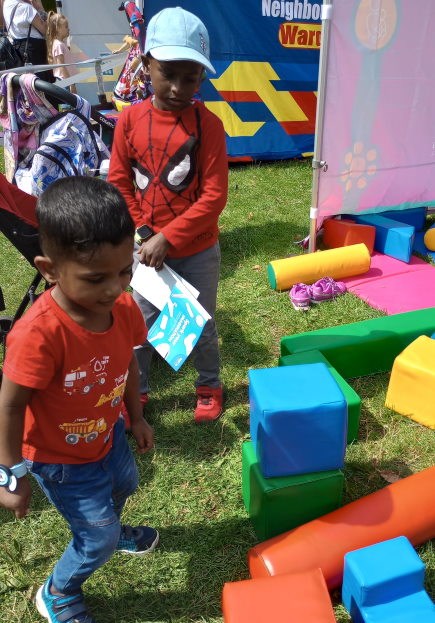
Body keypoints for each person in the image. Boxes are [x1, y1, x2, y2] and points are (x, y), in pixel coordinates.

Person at [0, 176, 159, 623]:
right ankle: (59, 590)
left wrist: (137, 416)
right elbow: (10, 404)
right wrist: (9, 474)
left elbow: (127, 362)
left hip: (109, 435)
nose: (114, 288)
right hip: (60, 459)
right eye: (95, 278)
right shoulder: (38, 334)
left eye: (125, 270)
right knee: (97, 539)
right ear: (49, 269)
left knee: (125, 484)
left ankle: (109, 530)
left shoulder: (122, 308)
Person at [108, 7, 228, 424]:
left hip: (197, 251)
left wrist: (169, 238)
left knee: (201, 324)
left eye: (191, 77)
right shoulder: (128, 121)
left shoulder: (207, 126)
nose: (179, 87)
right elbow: (120, 181)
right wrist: (145, 233)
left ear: (201, 76)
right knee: (139, 325)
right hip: (146, 251)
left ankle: (209, 384)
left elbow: (213, 197)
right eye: (168, 74)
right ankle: (136, 394)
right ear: (146, 65)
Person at [2, 0, 53, 83]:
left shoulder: (7, 4)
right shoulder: (26, 8)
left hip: (18, 48)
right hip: (34, 50)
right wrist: (40, 7)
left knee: (27, 82)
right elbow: (46, 30)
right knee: (41, 82)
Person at [46, 11, 77, 94]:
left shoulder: (60, 44)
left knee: (70, 105)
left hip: (67, 80)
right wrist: (70, 84)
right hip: (65, 82)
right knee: (68, 106)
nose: (68, 29)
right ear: (58, 29)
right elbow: (62, 66)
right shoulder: (58, 45)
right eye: (66, 27)